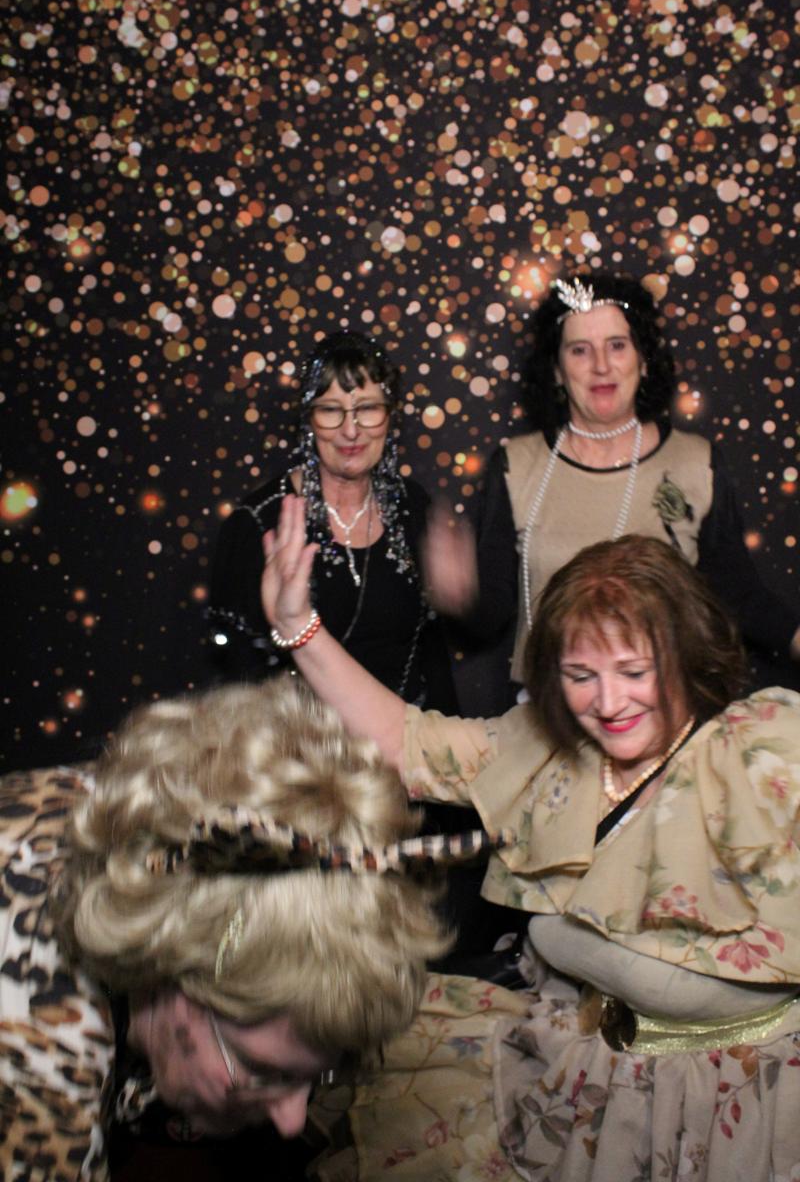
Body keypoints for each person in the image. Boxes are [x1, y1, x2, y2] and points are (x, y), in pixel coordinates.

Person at [262, 504, 800, 1181]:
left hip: (737, 1109)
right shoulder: (548, 750)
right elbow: (407, 742)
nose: (609, 703)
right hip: (596, 1084)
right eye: (581, 676)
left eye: (635, 671)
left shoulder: (764, 753)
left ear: (686, 655)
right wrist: (297, 626)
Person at [0, 676, 458, 1180]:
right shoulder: (35, 1055)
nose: (292, 1120)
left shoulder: (154, 826)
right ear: (167, 972)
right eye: (262, 1071)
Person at [423, 273, 800, 703]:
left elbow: (739, 595)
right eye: (580, 350)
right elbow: (490, 615)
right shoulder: (516, 466)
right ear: (557, 370)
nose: (601, 365)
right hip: (549, 713)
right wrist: (459, 596)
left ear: (643, 360)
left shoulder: (696, 462)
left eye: (617, 345)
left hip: (666, 709)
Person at [208, 328, 457, 713]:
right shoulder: (258, 524)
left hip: (402, 739)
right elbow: (237, 678)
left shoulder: (412, 506)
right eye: (330, 410)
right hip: (303, 743)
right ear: (308, 419)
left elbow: (431, 655)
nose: (350, 430)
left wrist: (461, 602)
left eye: (367, 408)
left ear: (389, 416)